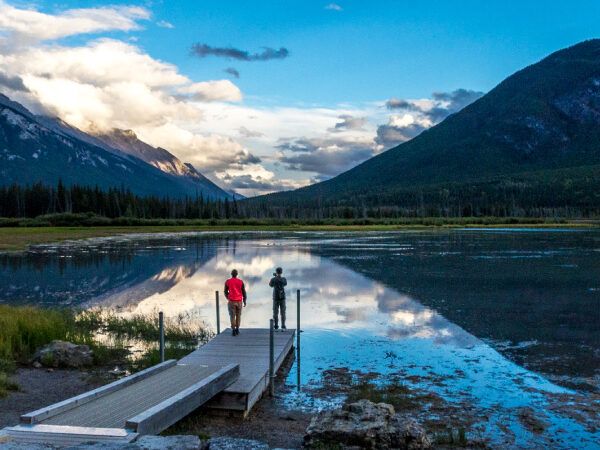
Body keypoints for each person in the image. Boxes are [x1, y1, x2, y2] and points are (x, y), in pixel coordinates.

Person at [224, 269, 247, 336]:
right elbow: (244, 292)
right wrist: (244, 300)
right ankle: (237, 329)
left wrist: (228, 298)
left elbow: (225, 292)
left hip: (231, 301)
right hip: (239, 301)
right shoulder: (240, 282)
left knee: (232, 316)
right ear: (237, 274)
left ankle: (233, 330)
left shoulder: (228, 282)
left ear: (231, 274)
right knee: (238, 315)